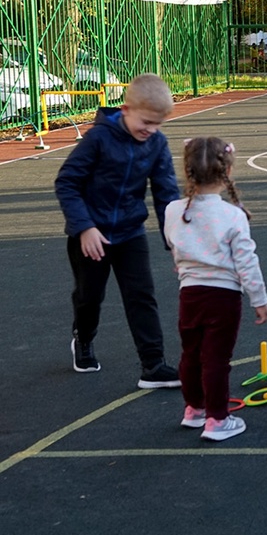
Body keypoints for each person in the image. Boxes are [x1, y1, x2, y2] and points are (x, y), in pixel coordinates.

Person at [54, 73, 184, 388]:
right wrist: (84, 227)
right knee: (90, 297)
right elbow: (66, 182)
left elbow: (166, 194)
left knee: (142, 295)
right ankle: (83, 338)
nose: (150, 130)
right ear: (126, 110)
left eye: (158, 125)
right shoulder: (99, 138)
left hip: (129, 231)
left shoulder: (156, 143)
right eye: (146, 122)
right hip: (91, 235)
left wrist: (177, 242)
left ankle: (153, 365)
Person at [163, 137, 267, 441]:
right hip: (222, 297)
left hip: (190, 294)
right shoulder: (232, 216)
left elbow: (174, 243)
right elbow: (246, 261)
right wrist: (259, 298)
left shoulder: (173, 210)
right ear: (227, 172)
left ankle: (194, 408)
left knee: (191, 353)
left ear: (188, 171)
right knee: (216, 359)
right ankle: (217, 419)